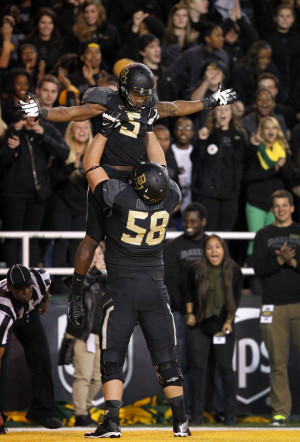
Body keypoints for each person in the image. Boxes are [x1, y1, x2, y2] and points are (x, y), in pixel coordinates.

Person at [18, 61, 237, 303]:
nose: (141, 100)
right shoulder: (109, 101)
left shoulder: (148, 104)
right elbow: (72, 112)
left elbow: (174, 108)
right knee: (93, 237)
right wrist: (42, 112)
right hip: (108, 174)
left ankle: (125, 286)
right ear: (123, 88)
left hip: (138, 179)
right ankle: (76, 294)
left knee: (129, 238)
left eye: (145, 95)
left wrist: (210, 101)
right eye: (135, 94)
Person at [73, 110, 191, 438]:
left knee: (113, 358)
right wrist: (150, 131)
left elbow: (90, 166)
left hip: (123, 288)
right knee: (166, 358)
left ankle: (111, 421)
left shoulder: (120, 197)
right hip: (155, 288)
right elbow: (162, 168)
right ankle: (180, 422)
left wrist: (105, 132)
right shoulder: (171, 198)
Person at [252, 189, 300, 426]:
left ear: (292, 207)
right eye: (277, 206)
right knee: (277, 363)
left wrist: (293, 262)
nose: (281, 209)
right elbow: (258, 269)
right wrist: (279, 260)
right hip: (272, 306)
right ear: (272, 209)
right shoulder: (262, 235)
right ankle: (280, 412)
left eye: (285, 205)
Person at [185, 234, 242, 425]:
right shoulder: (195, 270)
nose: (214, 251)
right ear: (204, 251)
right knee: (198, 370)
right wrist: (190, 314)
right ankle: (196, 415)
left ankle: (231, 415)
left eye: (217, 247)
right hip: (200, 325)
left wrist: (229, 322)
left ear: (224, 250)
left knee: (226, 369)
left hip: (222, 324)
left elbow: (236, 298)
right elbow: (189, 293)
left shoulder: (234, 271)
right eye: (209, 247)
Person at [0, 265, 62, 434]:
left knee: (41, 358)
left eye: (28, 286)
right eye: (21, 289)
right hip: (7, 318)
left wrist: (44, 300)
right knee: (2, 367)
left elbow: (47, 281)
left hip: (29, 313)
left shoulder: (40, 278)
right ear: (10, 288)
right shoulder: (3, 309)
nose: (27, 291)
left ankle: (41, 412)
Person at [0, 115, 69, 267]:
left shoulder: (47, 130)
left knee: (33, 238)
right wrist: (14, 141)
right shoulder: (12, 129)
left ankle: (30, 284)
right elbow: (4, 159)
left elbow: (64, 152)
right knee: (13, 238)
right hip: (13, 193)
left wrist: (43, 135)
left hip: (39, 194)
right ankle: (12, 281)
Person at [163, 202, 208, 415]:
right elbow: (171, 282)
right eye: (186, 221)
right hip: (181, 313)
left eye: (193, 221)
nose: (189, 225)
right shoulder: (172, 247)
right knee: (182, 363)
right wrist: (185, 310)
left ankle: (205, 409)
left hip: (209, 315)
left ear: (203, 222)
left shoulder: (212, 244)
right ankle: (183, 409)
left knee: (207, 364)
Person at [59, 244, 106, 426]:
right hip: (83, 334)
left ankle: (83, 412)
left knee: (98, 377)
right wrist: (94, 272)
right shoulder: (80, 276)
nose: (96, 257)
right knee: (83, 376)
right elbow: (79, 293)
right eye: (93, 253)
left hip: (98, 335)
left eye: (99, 253)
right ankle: (80, 414)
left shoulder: (104, 278)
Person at [191, 104, 247, 232]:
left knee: (226, 235)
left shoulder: (239, 136)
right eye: (219, 109)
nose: (223, 112)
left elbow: (245, 162)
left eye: (226, 109)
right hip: (208, 194)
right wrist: (201, 142)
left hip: (231, 195)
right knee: (208, 233)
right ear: (214, 114)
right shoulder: (206, 134)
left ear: (231, 113)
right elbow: (195, 160)